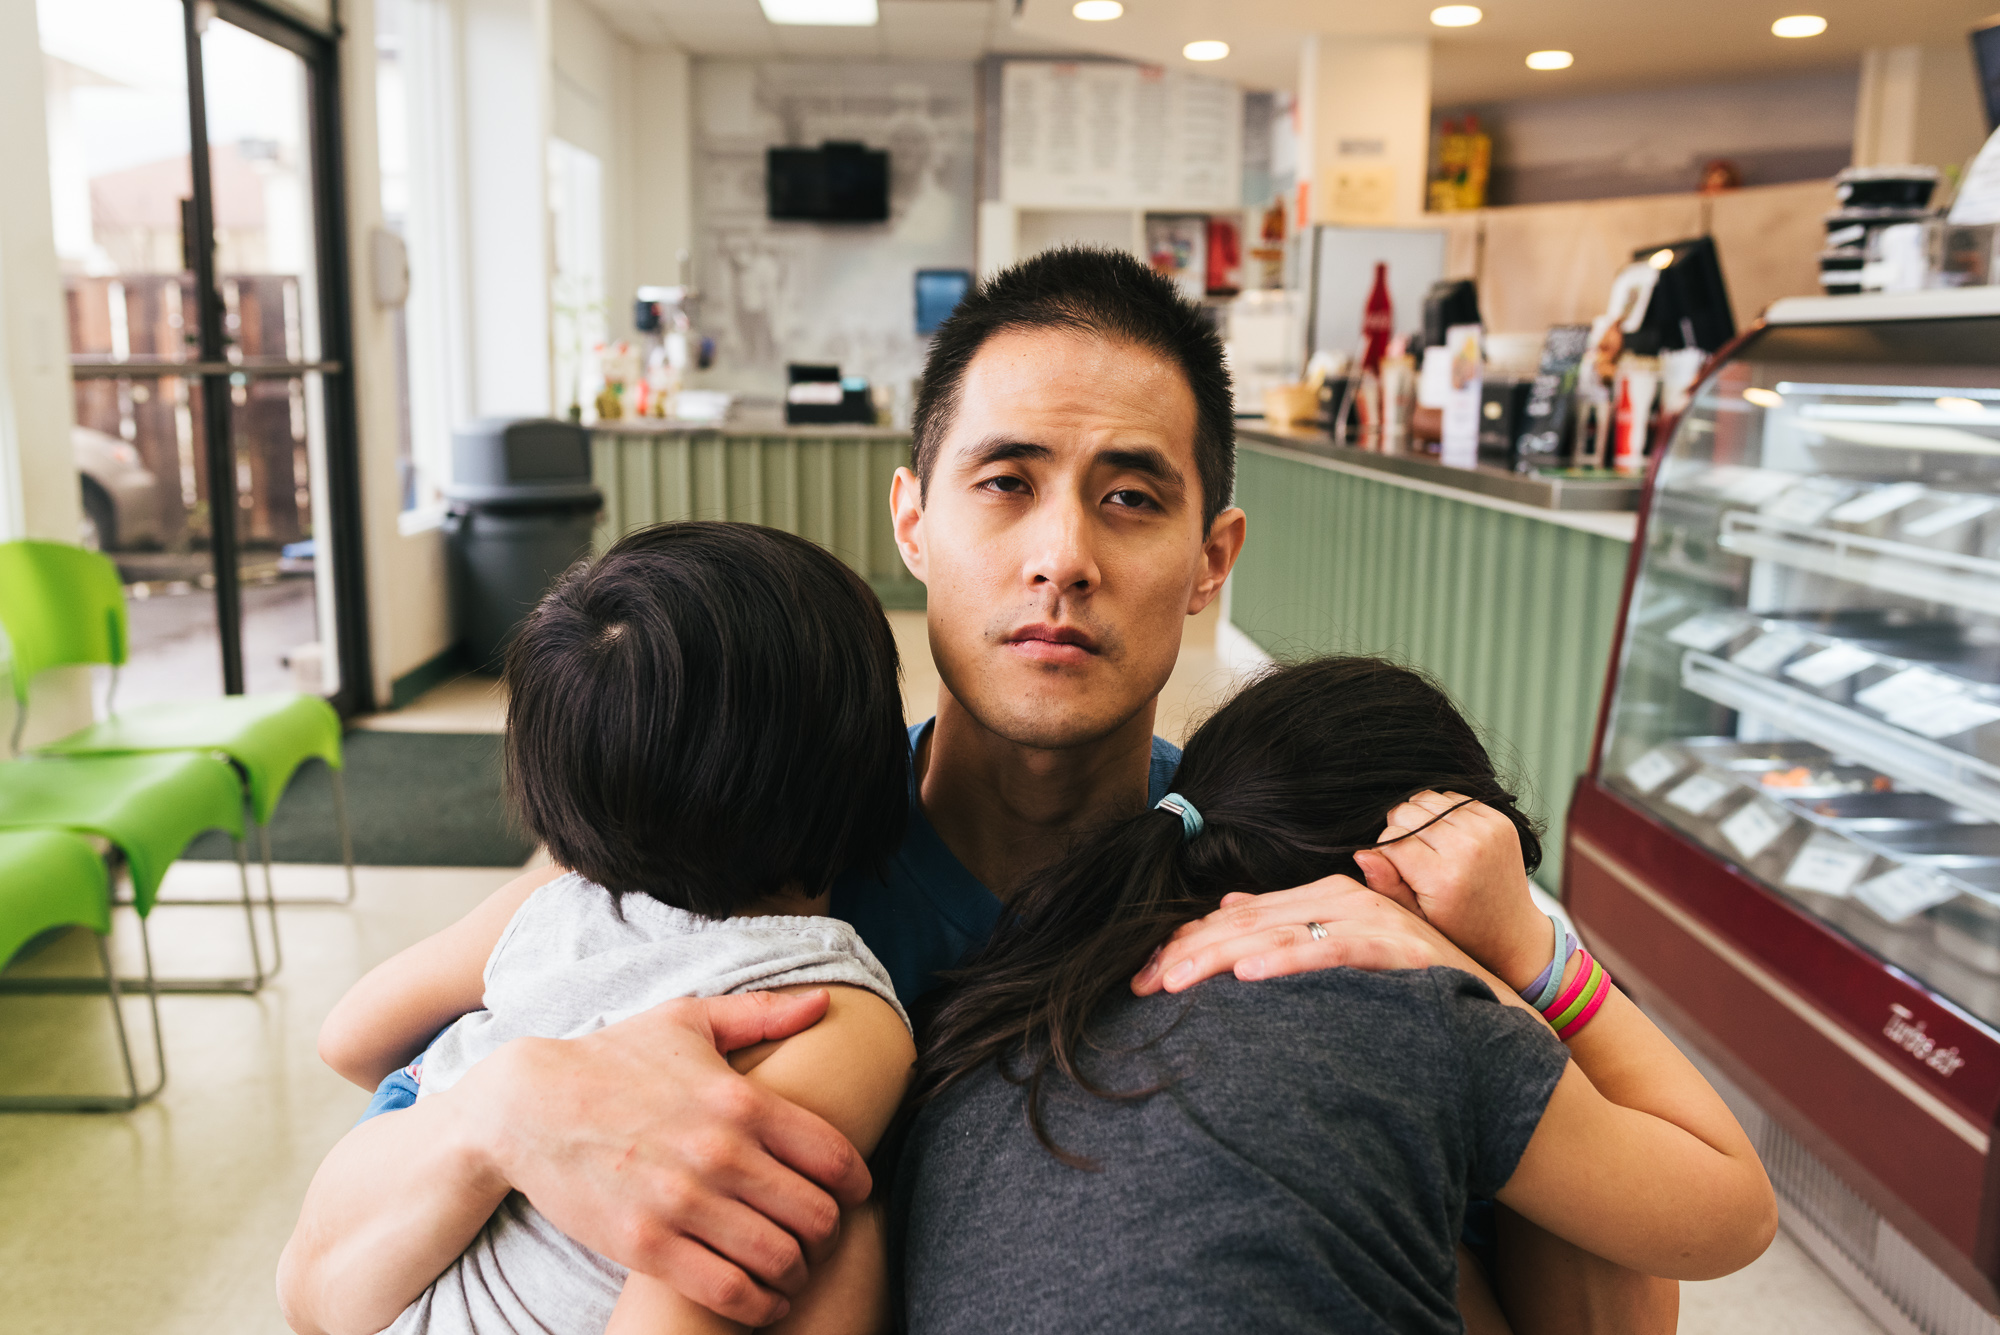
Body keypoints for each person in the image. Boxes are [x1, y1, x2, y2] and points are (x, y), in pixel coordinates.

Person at [277, 247, 1674, 1334]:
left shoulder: (1293, 883)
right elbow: (320, 1283)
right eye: (1006, 481)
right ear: (915, 522)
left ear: (1212, 557)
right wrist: (504, 1105)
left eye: (1130, 496)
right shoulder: (730, 835)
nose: (1060, 552)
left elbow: (1622, 1287)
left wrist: (1519, 955)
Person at [898, 656, 1777, 1332]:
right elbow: (1731, 1216)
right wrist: (1519, 956)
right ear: (1403, 881)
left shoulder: (1022, 987)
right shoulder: (1412, 1011)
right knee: (1590, 1188)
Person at [329, 522, 916, 1335]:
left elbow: (350, 1039)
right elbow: (696, 1283)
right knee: (846, 1227)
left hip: (396, 1292)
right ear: (868, 759)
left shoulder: (539, 906)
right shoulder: (832, 1006)